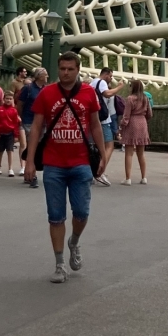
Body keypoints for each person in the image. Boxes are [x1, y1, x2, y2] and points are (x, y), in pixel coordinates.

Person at [24, 51, 107, 283]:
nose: (66, 73)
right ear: (57, 69)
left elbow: (95, 125)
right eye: (62, 69)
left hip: (81, 162)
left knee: (81, 212)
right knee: (56, 216)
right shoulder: (47, 93)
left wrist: (102, 155)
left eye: (71, 69)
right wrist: (29, 161)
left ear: (78, 69)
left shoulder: (89, 92)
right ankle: (60, 264)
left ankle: (75, 241)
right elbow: (36, 127)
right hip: (53, 163)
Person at [90, 67, 124, 186]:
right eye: (111, 76)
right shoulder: (102, 82)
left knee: (94, 146)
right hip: (103, 119)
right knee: (109, 145)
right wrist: (119, 87)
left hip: (93, 118)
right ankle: (100, 170)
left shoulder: (92, 82)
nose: (111, 78)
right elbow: (107, 94)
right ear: (106, 74)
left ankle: (93, 170)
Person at [119, 79, 152, 185]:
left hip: (132, 123)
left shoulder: (130, 98)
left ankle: (128, 178)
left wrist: (121, 125)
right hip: (142, 122)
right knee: (141, 153)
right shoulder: (145, 98)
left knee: (129, 153)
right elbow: (150, 114)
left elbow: (126, 116)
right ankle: (144, 177)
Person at [0, 90, 21, 176]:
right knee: (0, 151)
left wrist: (16, 135)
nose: (8, 100)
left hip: (10, 133)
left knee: (10, 151)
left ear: (13, 100)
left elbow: (15, 124)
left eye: (10, 99)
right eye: (7, 99)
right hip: (1, 133)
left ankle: (10, 168)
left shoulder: (14, 111)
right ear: (3, 99)